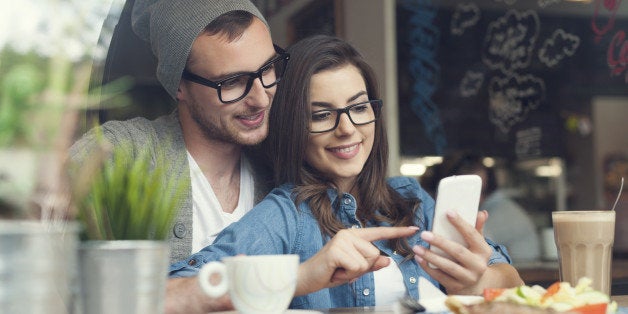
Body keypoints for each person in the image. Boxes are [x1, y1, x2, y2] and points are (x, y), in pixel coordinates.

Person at [166, 35, 523, 313]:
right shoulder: (287, 216)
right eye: (322, 115)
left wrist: (477, 281)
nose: (348, 129)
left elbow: (511, 282)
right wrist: (302, 276)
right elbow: (171, 292)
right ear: (294, 127)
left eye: (358, 107)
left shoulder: (412, 199)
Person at [69, 0, 282, 263]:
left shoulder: (280, 166)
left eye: (268, 68)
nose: (261, 99)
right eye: (232, 82)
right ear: (179, 86)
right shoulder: (124, 152)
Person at [422, 151, 541, 262]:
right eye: (469, 190)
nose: (478, 197)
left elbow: (471, 249)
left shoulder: (500, 212)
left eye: (481, 190)